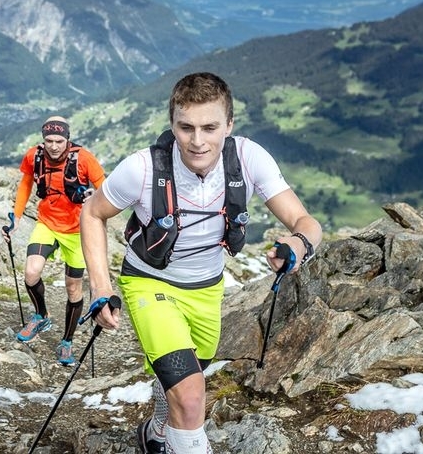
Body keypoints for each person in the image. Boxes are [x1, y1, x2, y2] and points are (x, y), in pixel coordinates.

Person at [80, 72, 321, 453]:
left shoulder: (247, 158)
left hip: (207, 289)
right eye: (185, 127)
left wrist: (298, 242)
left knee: (186, 374)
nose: (197, 141)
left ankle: (156, 432)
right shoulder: (143, 168)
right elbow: (92, 213)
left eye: (209, 127)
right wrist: (102, 287)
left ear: (229, 124)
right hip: (149, 280)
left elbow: (306, 223)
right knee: (192, 398)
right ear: (172, 124)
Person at [3, 116, 106, 365]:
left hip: (77, 229)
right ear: (43, 139)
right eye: (48, 140)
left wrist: (95, 198)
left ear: (67, 139)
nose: (54, 146)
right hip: (46, 223)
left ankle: (67, 342)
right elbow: (25, 184)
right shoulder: (34, 156)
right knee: (31, 273)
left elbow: (105, 186)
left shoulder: (84, 158)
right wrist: (16, 218)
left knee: (73, 287)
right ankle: (41, 315)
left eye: (59, 140)